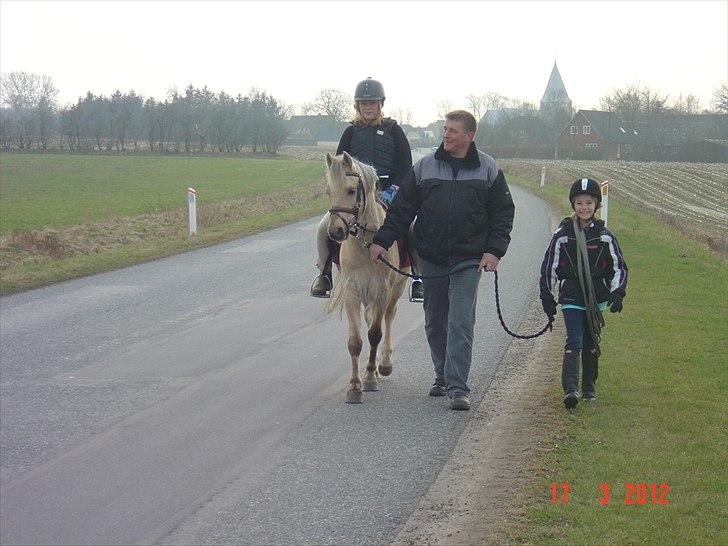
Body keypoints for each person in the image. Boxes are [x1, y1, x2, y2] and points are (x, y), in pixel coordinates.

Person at [369, 110, 515, 411]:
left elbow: (503, 212)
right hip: (431, 256)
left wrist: (494, 251)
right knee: (435, 320)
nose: (445, 135)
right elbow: (402, 210)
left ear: (469, 136)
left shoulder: (487, 169)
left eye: (452, 131)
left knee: (461, 320)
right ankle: (441, 376)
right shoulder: (424, 168)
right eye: (445, 130)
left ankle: (458, 386)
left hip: (469, 258)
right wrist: (382, 241)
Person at [310, 77, 422, 300]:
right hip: (356, 197)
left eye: (372, 103)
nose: (368, 107)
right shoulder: (350, 132)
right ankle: (325, 275)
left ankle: (418, 278)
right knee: (324, 228)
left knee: (411, 228)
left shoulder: (394, 130)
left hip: (387, 193)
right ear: (357, 106)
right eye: (364, 104)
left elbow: (405, 166)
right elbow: (339, 167)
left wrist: (392, 191)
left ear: (380, 104)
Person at [539, 178, 628, 409]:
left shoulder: (605, 235)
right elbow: (549, 267)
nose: (584, 207)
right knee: (574, 339)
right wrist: (547, 297)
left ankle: (589, 388)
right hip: (570, 296)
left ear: (596, 205)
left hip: (596, 297)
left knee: (590, 341)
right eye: (579, 203)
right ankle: (570, 389)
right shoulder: (562, 235)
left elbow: (619, 267)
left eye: (589, 202)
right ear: (573, 204)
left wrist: (617, 293)